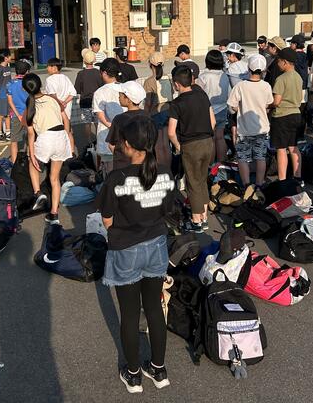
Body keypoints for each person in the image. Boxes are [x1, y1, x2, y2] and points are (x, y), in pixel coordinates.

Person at [98, 115, 174, 394]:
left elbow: (107, 218)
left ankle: (133, 375)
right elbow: (167, 210)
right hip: (156, 245)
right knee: (154, 308)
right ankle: (159, 369)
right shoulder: (165, 173)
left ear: (128, 145)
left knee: (129, 314)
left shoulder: (116, 178)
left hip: (126, 248)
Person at [168, 65, 215, 233]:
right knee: (202, 180)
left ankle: (197, 221)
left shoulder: (177, 103)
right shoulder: (202, 96)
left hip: (190, 145)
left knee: (192, 183)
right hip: (207, 142)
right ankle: (205, 216)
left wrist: (179, 146)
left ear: (176, 84)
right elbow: (213, 122)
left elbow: (171, 132)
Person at [23, 73, 75, 225]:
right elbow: (66, 119)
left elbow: (31, 134)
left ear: (25, 90)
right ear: (40, 85)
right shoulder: (52, 99)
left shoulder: (30, 104)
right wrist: (67, 136)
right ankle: (54, 214)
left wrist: (32, 154)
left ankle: (38, 193)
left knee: (33, 165)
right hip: (60, 137)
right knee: (54, 178)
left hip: (45, 138)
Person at [227, 55, 272, 187]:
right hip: (262, 128)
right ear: (263, 70)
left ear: (248, 68)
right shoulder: (266, 86)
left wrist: (240, 109)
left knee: (243, 158)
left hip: (244, 129)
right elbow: (268, 104)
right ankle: (259, 184)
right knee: (260, 157)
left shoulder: (241, 86)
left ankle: (246, 185)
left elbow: (232, 106)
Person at [269, 48, 304, 182]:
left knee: (281, 148)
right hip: (296, 113)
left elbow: (276, 101)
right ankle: (298, 176)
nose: (278, 64)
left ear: (284, 62)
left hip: (282, 116)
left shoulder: (281, 78)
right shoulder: (298, 77)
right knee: (293, 147)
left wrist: (268, 105)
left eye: (279, 61)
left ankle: (282, 179)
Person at [196, 49, 230, 162]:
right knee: (220, 137)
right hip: (222, 109)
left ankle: (210, 164)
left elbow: (198, 95)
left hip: (208, 111)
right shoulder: (224, 75)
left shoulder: (203, 76)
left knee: (210, 138)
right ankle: (221, 163)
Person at [93, 58, 125, 175]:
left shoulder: (100, 92)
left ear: (105, 73)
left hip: (107, 137)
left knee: (110, 173)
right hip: (126, 137)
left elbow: (100, 114)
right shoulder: (125, 88)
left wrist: (111, 126)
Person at [107, 81, 148, 171]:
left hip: (123, 165)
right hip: (145, 163)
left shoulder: (119, 119)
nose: (119, 97)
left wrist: (120, 157)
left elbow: (111, 145)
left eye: (121, 95)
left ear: (128, 100)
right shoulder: (148, 116)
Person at [4, 61, 31, 164]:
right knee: (30, 138)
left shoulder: (10, 84)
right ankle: (30, 160)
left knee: (14, 141)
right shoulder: (29, 83)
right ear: (27, 71)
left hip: (16, 115)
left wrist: (18, 115)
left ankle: (14, 163)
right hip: (29, 114)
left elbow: (10, 101)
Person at [75, 49, 103, 125]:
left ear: (84, 61)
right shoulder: (98, 72)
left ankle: (89, 134)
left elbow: (77, 89)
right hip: (97, 101)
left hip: (85, 101)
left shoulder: (81, 73)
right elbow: (102, 86)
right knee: (97, 122)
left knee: (87, 123)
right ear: (94, 60)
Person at [0, 49, 14, 141]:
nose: (11, 57)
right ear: (6, 58)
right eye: (9, 56)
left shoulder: (8, 68)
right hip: (2, 96)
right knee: (1, 115)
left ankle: (8, 133)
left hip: (8, 95)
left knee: (8, 114)